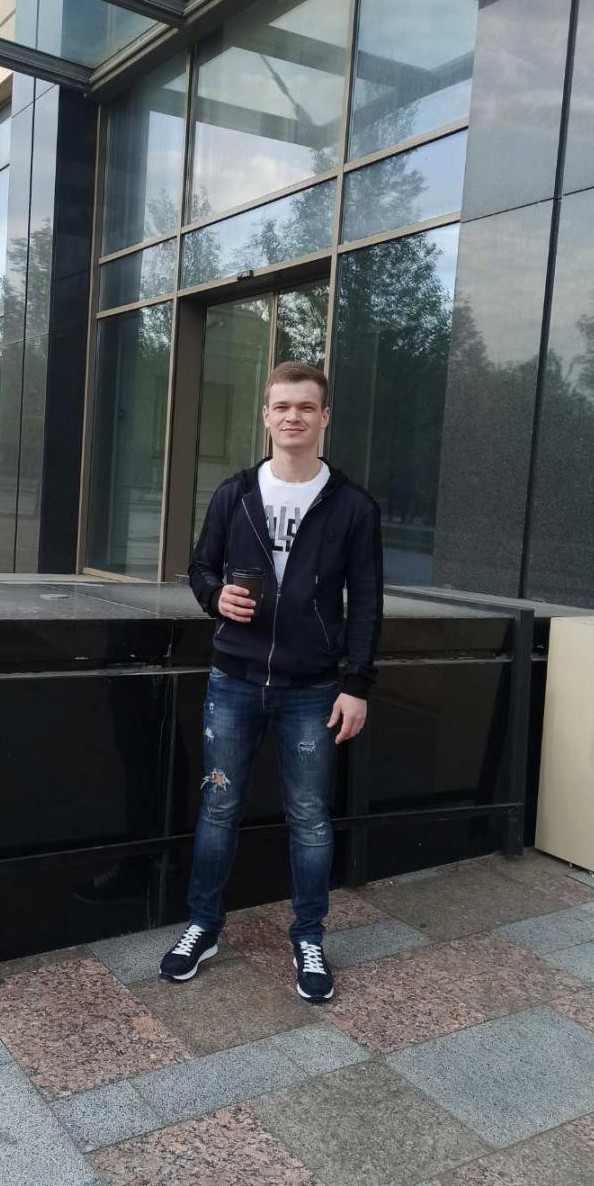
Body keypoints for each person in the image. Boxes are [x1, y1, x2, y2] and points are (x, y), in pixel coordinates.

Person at [159, 360, 383, 1002]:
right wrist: (215, 597)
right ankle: (203, 926)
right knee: (218, 807)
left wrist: (357, 683)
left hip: (313, 688)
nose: (293, 417)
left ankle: (308, 935)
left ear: (324, 416)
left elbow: (367, 602)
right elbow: (200, 568)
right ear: (266, 416)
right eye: (282, 406)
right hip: (233, 679)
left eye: (306, 407)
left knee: (310, 816)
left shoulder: (353, 506)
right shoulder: (235, 494)